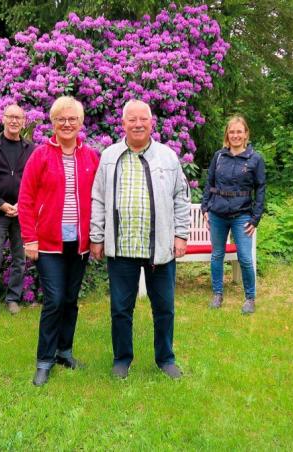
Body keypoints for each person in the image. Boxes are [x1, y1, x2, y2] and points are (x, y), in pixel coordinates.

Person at [90, 99, 191, 380]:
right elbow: (98, 198)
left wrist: (180, 235)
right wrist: (96, 237)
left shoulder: (168, 157)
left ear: (151, 123)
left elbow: (181, 198)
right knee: (121, 308)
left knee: (164, 307)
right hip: (121, 247)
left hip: (159, 248)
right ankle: (122, 358)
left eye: (142, 119)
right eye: (131, 119)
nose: (137, 124)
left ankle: (165, 359)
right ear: (122, 124)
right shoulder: (109, 156)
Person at [18, 96, 99, 386]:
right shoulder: (40, 155)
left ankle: (65, 352)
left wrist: (97, 237)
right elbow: (25, 199)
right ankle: (44, 360)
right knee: (53, 300)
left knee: (70, 299)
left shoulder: (91, 156)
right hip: (48, 242)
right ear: (53, 123)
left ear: (80, 123)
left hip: (79, 244)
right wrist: (29, 238)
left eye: (72, 119)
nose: (67, 124)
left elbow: (98, 200)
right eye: (61, 119)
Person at [201, 115, 266, 314]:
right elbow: (209, 182)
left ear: (246, 134)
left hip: (242, 216)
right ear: (227, 135)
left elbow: (261, 189)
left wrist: (255, 218)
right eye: (232, 132)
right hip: (218, 214)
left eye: (239, 131)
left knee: (245, 258)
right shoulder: (219, 157)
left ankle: (250, 298)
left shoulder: (255, 159)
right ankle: (217, 294)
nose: (235, 135)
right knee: (217, 255)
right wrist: (205, 208)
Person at [0, 104, 35, 317]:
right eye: (10, 117)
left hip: (23, 213)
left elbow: (35, 181)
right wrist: (1, 204)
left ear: (23, 121)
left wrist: (22, 204)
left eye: (18, 118)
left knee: (19, 258)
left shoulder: (31, 149)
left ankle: (13, 298)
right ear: (2, 119)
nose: (13, 121)